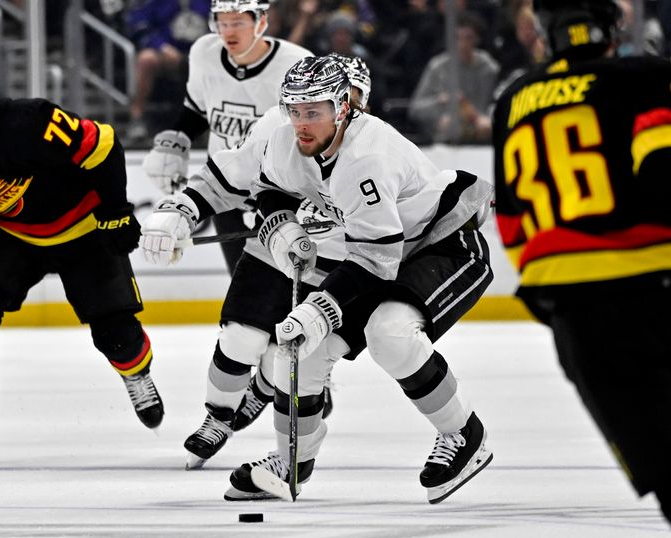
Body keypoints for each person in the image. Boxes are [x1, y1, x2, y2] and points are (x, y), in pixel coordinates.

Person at [144, 55, 494, 503]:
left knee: (389, 333)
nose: (301, 123)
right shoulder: (282, 133)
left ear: (345, 108)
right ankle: (293, 462)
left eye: (314, 111)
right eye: (295, 110)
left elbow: (377, 258)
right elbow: (263, 188)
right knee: (300, 353)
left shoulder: (367, 157)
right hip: (373, 252)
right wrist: (194, 212)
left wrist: (319, 309)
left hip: (439, 244)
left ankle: (464, 434)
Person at [0, 46, 164, 463]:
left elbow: (103, 147)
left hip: (82, 230)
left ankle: (136, 373)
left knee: (115, 332)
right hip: (16, 236)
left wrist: (116, 212)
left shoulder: (35, 120)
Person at [140, 54, 372, 472]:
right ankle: (218, 416)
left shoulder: (377, 147)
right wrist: (181, 210)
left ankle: (262, 389)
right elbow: (229, 176)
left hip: (337, 266)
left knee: (284, 357)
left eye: (349, 102)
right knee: (240, 339)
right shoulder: (277, 127)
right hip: (273, 248)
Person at [492, 0, 671, 525]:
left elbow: (511, 223)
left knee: (663, 468)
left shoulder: (513, 100)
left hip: (574, 309)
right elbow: (662, 175)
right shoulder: (644, 78)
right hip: (654, 289)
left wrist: (558, 291)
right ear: (612, 31)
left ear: (545, 36)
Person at [141, 0, 311, 275]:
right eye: (222, 23)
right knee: (240, 285)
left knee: (285, 283)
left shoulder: (295, 64)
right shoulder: (204, 53)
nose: (228, 31)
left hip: (277, 193)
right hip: (223, 189)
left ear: (261, 22)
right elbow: (197, 109)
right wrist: (176, 142)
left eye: (238, 23)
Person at [123, 0, 211, 143]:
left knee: (222, 61)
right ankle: (136, 119)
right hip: (167, 54)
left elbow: (224, 25)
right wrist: (161, 46)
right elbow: (138, 24)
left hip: (203, 54)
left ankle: (216, 122)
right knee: (146, 59)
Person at [408, 10, 500, 144]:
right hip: (444, 138)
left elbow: (497, 104)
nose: (462, 44)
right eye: (457, 37)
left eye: (468, 38)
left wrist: (486, 118)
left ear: (476, 39)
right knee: (450, 125)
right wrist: (439, 101)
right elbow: (415, 109)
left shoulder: (489, 69)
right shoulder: (437, 67)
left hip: (482, 134)